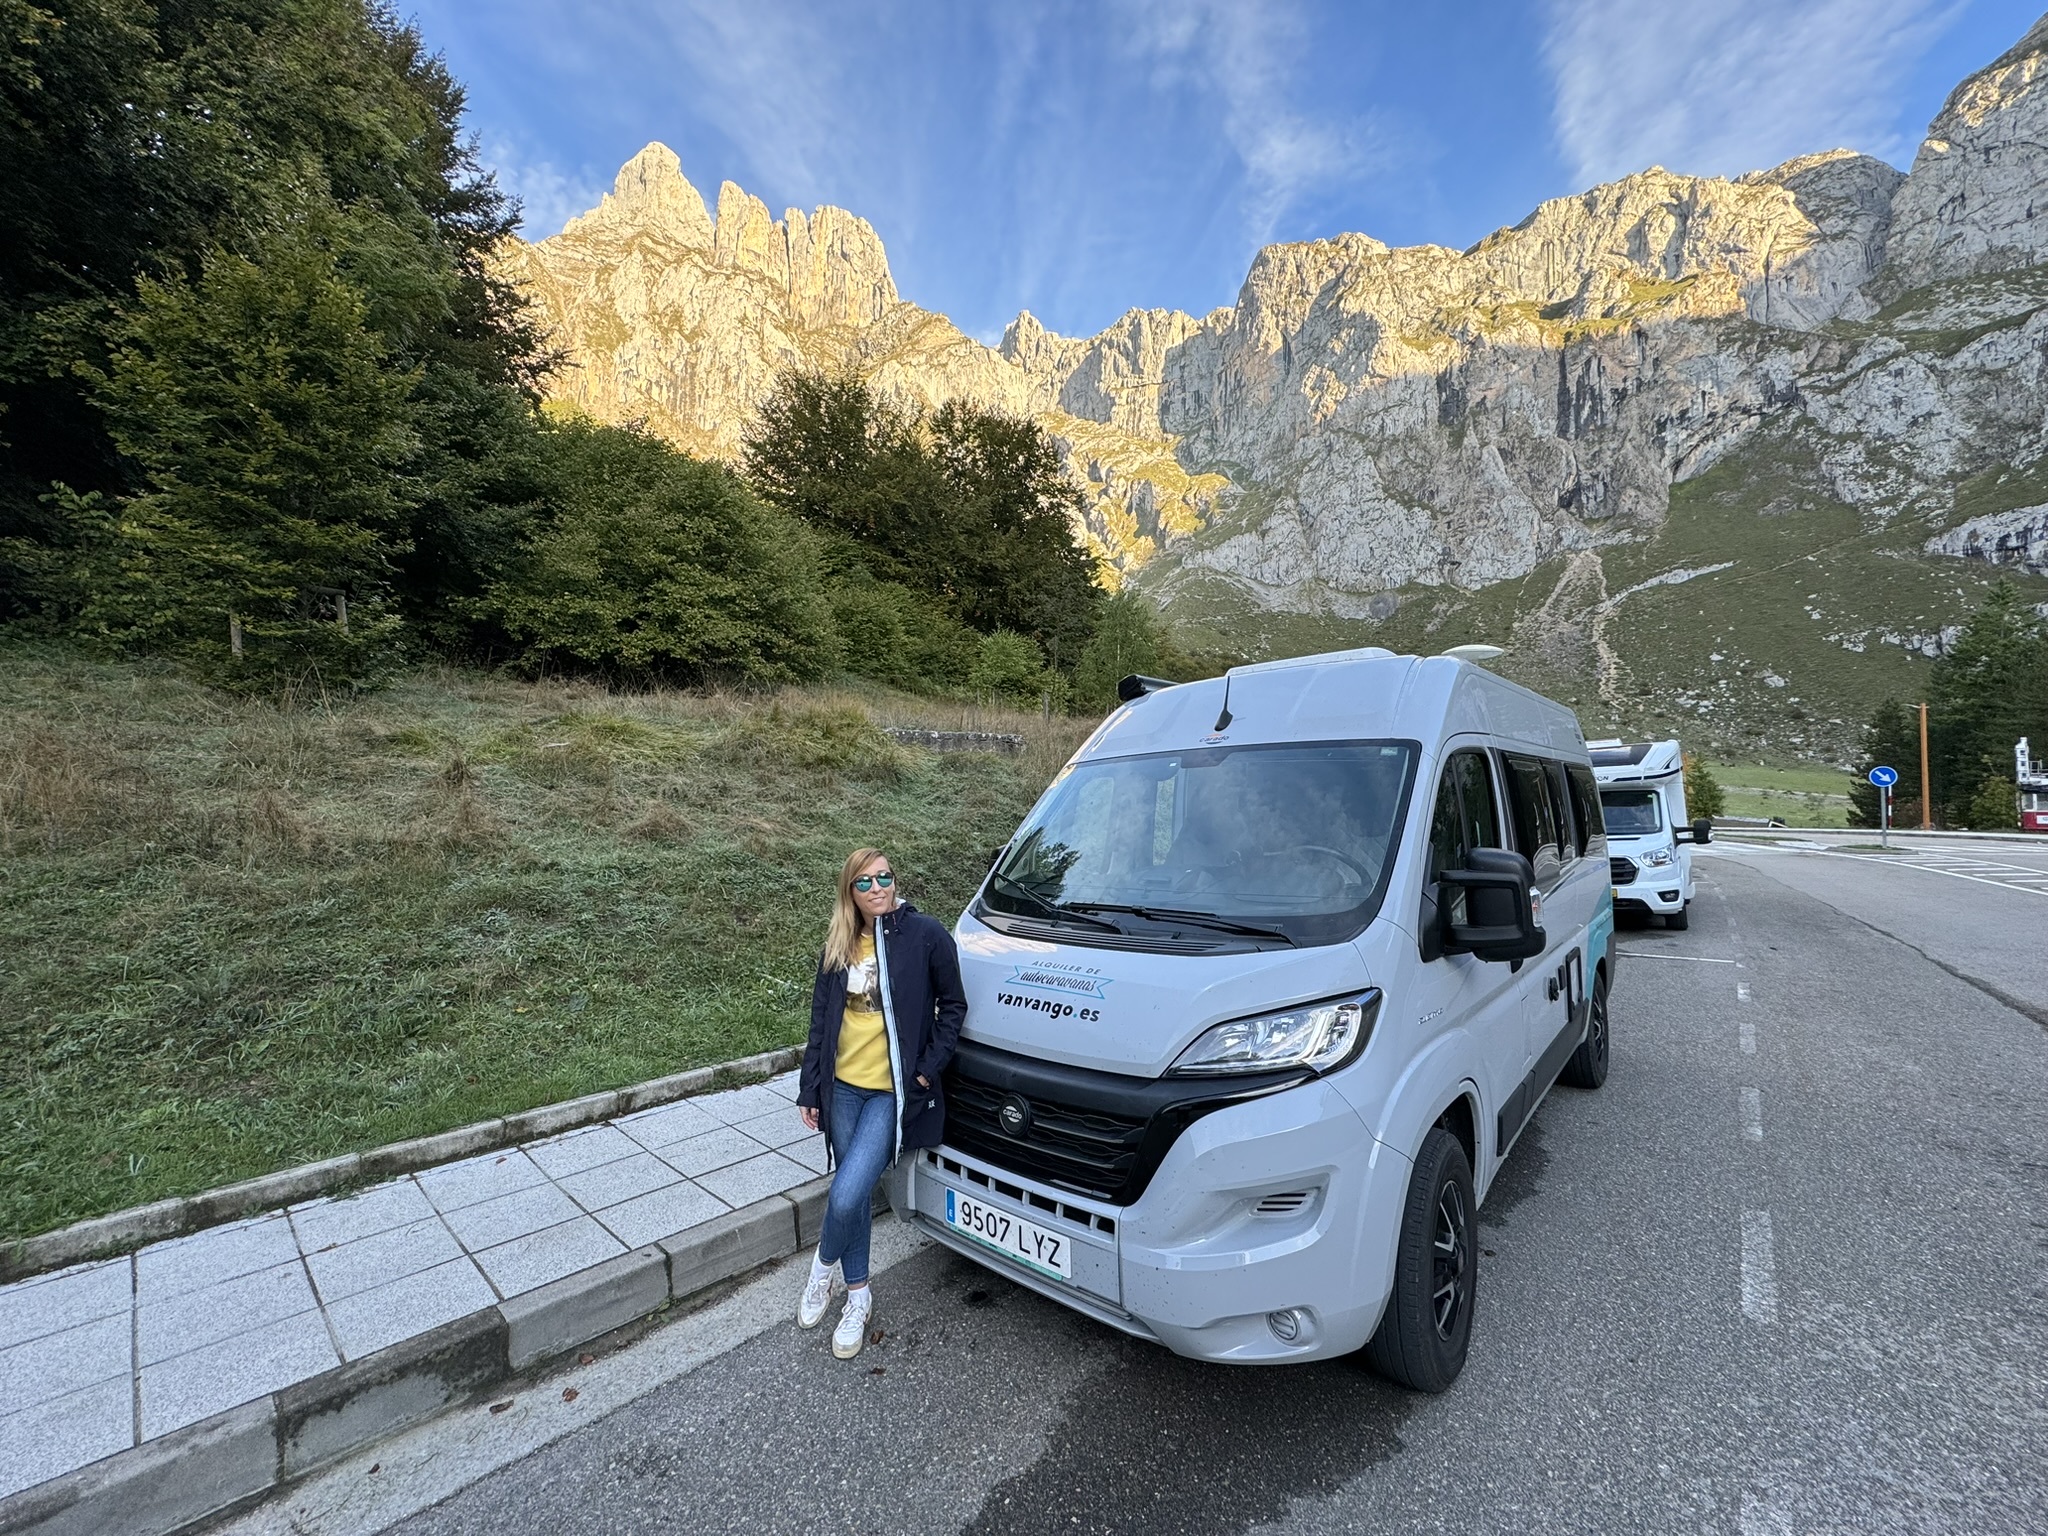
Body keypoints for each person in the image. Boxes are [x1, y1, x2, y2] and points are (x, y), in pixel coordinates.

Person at [794, 847, 967, 1358]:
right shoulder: (840, 943)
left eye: (884, 878)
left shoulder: (925, 935)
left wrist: (925, 1069)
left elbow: (953, 1006)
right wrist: (810, 1087)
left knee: (848, 1193)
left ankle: (821, 1269)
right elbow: (822, 1021)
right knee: (854, 1191)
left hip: (891, 1092)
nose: (878, 889)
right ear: (850, 891)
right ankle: (859, 1297)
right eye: (865, 882)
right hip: (842, 1088)